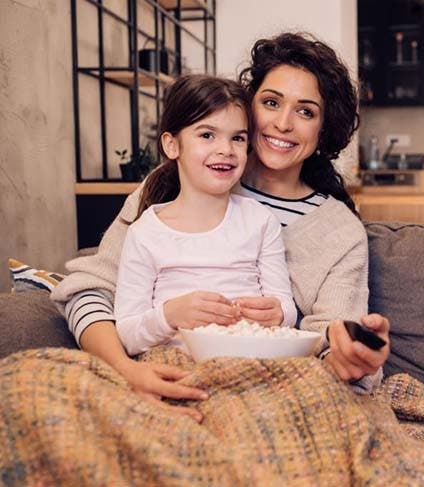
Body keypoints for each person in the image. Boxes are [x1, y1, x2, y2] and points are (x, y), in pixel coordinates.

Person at [50, 32, 390, 421]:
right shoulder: (171, 187)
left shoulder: (340, 232)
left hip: (268, 387)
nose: (282, 123)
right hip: (155, 370)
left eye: (306, 111)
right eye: (271, 102)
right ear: (248, 107)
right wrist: (128, 372)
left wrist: (351, 353)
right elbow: (89, 291)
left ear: (324, 129)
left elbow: (329, 337)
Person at [113, 74, 296, 356]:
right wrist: (169, 315)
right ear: (171, 145)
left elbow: (285, 307)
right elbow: (127, 334)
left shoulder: (260, 221)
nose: (226, 150)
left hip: (250, 358)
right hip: (174, 360)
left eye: (237, 138)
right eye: (207, 135)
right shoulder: (146, 232)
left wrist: (279, 314)